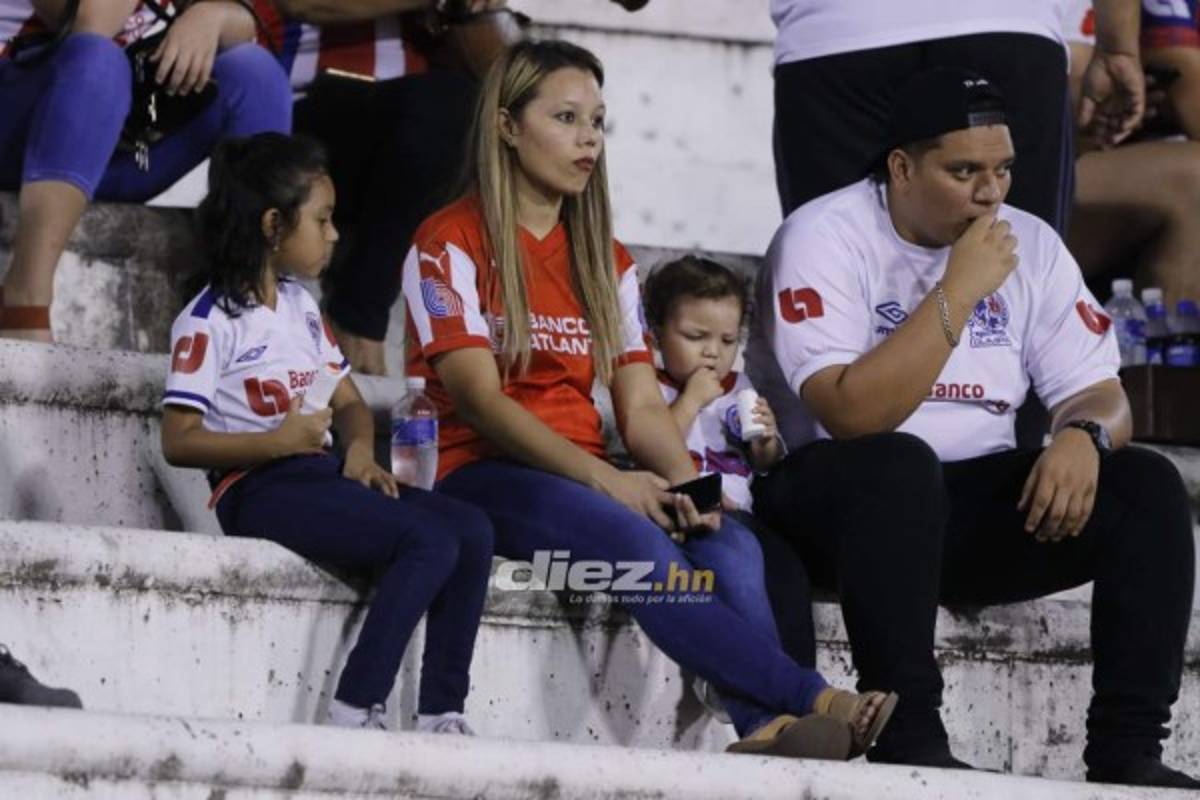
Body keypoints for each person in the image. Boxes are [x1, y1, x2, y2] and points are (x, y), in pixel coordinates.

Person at [402, 38, 895, 760]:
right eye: (566, 118)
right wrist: (611, 482)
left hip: (583, 473)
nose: (589, 139)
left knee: (728, 541)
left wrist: (689, 485)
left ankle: (762, 729)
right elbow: (477, 400)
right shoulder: (447, 240)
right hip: (478, 471)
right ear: (506, 126)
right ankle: (815, 698)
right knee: (638, 546)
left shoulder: (605, 258)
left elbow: (638, 410)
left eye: (598, 122)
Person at [745, 67, 1198, 788]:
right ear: (902, 167)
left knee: (1146, 485)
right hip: (833, 505)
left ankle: (1129, 749)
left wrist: (1081, 436)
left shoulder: (1030, 243)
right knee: (899, 465)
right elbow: (851, 415)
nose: (991, 193)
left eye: (1003, 170)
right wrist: (957, 292)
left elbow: (1101, 392)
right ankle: (909, 731)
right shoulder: (824, 235)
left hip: (958, 515)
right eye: (964, 172)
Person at [160, 133, 494, 733]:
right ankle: (354, 707)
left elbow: (351, 403)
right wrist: (275, 443)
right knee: (429, 540)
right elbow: (178, 440)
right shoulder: (207, 321)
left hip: (319, 475)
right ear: (273, 224)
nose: (334, 234)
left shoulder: (300, 307)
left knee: (472, 527)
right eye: (322, 219)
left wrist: (360, 452)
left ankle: (442, 712)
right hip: (256, 489)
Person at [0, 0, 292, 342]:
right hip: (24, 117)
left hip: (116, 138)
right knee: (100, 60)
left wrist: (211, 17)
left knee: (255, 73)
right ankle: (25, 292)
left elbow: (249, 23)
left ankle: (247, 308)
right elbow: (92, 23)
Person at [250, 0, 513, 374]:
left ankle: (358, 318)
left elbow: (503, 76)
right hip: (301, 107)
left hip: (412, 122)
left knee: (470, 104)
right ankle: (357, 322)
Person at [770, 0, 1145, 233]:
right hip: (1006, 22)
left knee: (835, 265)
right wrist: (1118, 47)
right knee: (1019, 272)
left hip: (836, 29)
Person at [642, 255, 818, 669]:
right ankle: (744, 670)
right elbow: (652, 445)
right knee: (735, 570)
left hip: (742, 514)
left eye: (727, 341)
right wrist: (691, 400)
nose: (712, 353)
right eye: (695, 336)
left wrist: (766, 440)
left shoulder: (738, 386)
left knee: (785, 571)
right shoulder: (648, 389)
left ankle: (800, 678)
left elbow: (765, 461)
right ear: (655, 334)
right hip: (684, 511)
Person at [1066, 0, 1200, 306]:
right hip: (1014, 171)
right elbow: (1191, 97)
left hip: (1083, 153)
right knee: (1195, 179)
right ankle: (1165, 335)